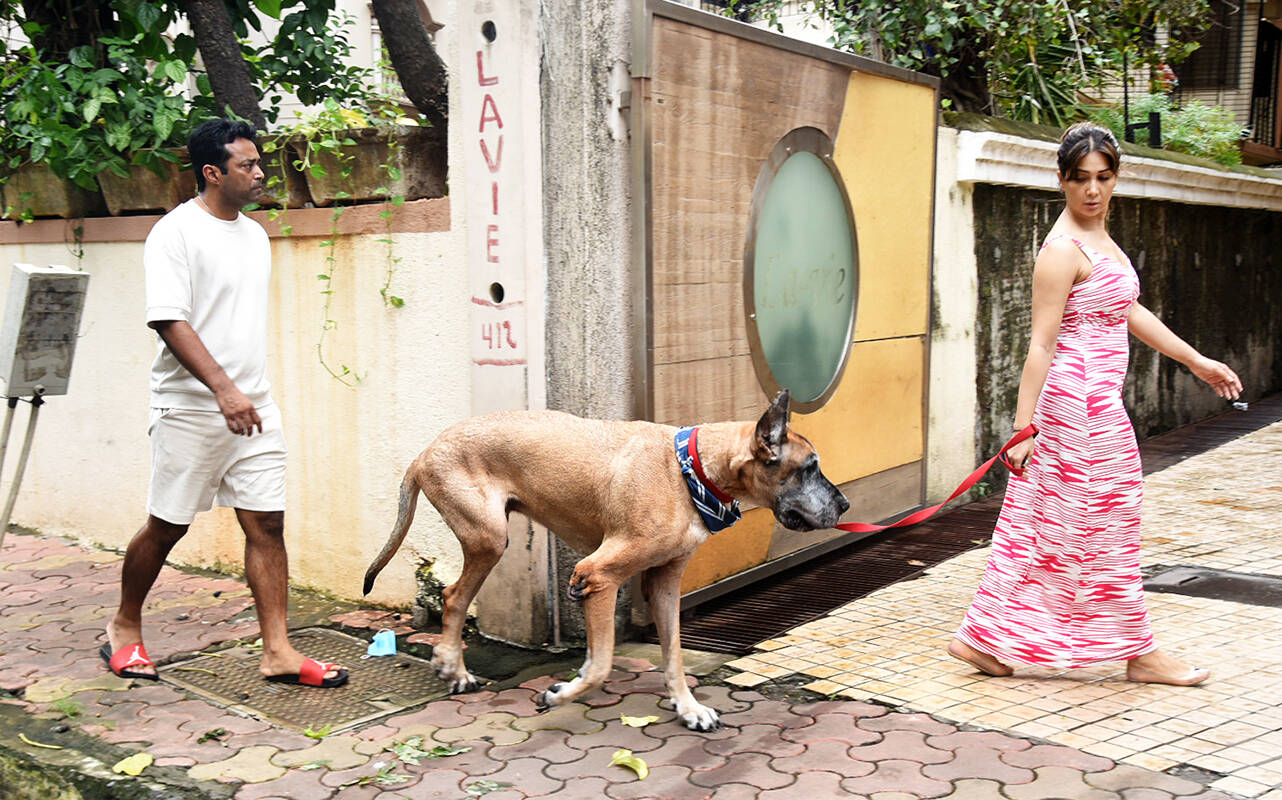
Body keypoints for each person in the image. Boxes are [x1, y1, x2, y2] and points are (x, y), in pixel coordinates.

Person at [948, 121, 1242, 686]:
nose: (1092, 190)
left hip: (1096, 404)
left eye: (1103, 178)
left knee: (1052, 524)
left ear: (1115, 179)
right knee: (1103, 524)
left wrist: (1195, 360)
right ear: (1061, 180)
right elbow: (1039, 342)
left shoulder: (1101, 241)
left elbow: (1127, 309)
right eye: (1080, 178)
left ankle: (985, 638)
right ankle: (1139, 653)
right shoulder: (1062, 250)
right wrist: (1022, 428)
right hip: (1077, 408)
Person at [101, 118, 347, 688]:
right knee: (168, 527)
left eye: (259, 163)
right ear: (212, 173)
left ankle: (279, 652)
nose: (260, 174)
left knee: (267, 523)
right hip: (190, 407)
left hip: (254, 406)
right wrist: (223, 390)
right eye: (247, 165)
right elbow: (168, 318)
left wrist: (244, 392)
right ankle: (125, 626)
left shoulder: (255, 234)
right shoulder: (175, 233)